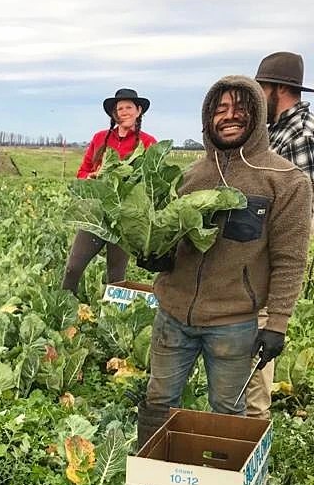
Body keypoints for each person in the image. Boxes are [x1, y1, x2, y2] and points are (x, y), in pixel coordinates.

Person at [137, 75, 312, 448]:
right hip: (173, 315)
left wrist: (277, 323)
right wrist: (155, 255)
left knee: (228, 412)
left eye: (240, 108)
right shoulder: (188, 177)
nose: (229, 116)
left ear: (257, 114)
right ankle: (150, 483)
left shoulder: (285, 179)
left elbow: (290, 259)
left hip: (234, 324)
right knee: (158, 401)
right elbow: (171, 243)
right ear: (207, 118)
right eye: (220, 109)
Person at [245, 52, 314, 419]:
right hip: (252, 260)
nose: (257, 96)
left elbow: (300, 214)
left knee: (257, 367)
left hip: (271, 263)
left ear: (280, 89)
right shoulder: (276, 130)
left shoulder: (301, 134)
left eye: (261, 88)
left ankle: (254, 443)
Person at [62, 88, 157, 296]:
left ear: (138, 110)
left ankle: (112, 319)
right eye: (119, 108)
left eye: (128, 107)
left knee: (116, 276)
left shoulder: (148, 142)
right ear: (114, 114)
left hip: (124, 218)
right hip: (97, 214)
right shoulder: (100, 138)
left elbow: (152, 179)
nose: (123, 111)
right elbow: (82, 171)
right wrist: (90, 177)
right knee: (73, 268)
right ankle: (63, 310)